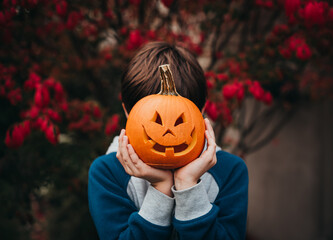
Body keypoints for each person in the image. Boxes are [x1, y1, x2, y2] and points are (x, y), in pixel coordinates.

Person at [88, 42, 248, 240]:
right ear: (128, 112)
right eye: (155, 120)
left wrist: (187, 185)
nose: (168, 132)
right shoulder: (108, 172)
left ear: (202, 110)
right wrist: (161, 188)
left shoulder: (230, 171)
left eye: (180, 119)